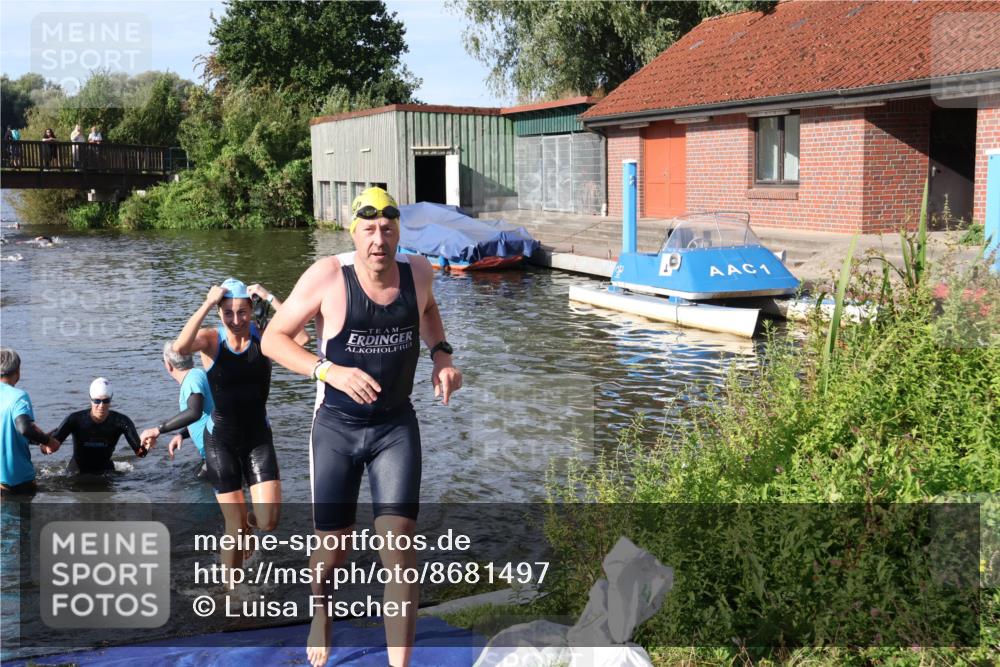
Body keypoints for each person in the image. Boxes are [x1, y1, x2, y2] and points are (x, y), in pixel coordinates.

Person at [261, 186, 463, 667]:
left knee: (400, 547)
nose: (379, 240)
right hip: (336, 428)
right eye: (369, 229)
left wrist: (441, 355)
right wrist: (326, 370)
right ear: (353, 234)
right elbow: (272, 338)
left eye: (388, 229)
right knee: (333, 550)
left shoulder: (419, 272)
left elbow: (428, 310)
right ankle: (322, 613)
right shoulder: (328, 276)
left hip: (395, 427)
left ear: (398, 234)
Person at [174, 278, 306, 577]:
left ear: (251, 309)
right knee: (234, 527)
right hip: (221, 441)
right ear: (219, 312)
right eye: (228, 313)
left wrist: (269, 296)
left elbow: (301, 338)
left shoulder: (266, 336)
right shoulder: (211, 340)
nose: (236, 320)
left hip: (257, 438)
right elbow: (180, 347)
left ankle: (246, 524)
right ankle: (231, 590)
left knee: (268, 522)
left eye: (243, 312)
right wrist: (207, 303)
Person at [140, 342, 215, 480]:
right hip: (216, 452)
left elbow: (194, 412)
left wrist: (158, 430)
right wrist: (182, 434)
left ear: (168, 365)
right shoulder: (196, 375)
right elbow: (205, 414)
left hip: (218, 453)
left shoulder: (192, 380)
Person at [52, 378, 147, 475]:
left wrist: (146, 444)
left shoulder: (121, 421)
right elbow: (51, 446)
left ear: (111, 399)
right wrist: (45, 442)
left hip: (106, 472)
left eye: (106, 401)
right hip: (76, 473)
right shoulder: (74, 419)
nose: (101, 405)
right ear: (90, 399)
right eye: (97, 401)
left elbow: (140, 453)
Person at [1, 348, 61, 496]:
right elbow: (24, 428)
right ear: (17, 371)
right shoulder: (18, 397)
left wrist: (38, 440)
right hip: (17, 483)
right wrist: (48, 441)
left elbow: (9, 430)